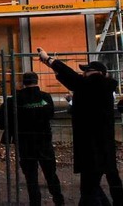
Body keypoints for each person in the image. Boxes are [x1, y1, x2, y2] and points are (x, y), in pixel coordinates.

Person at [38, 47, 121, 205]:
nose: (83, 73)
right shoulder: (98, 88)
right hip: (101, 146)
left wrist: (49, 60)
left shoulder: (94, 84)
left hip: (92, 148)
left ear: (95, 73)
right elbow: (74, 82)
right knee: (96, 186)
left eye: (86, 71)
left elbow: (73, 79)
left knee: (89, 189)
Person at [0, 72, 64, 206]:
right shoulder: (45, 97)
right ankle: (59, 200)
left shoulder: (14, 100)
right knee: (51, 174)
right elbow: (50, 115)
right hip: (43, 140)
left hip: (24, 142)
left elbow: (1, 122)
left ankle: (35, 202)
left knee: (31, 177)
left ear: (23, 83)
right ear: (36, 80)